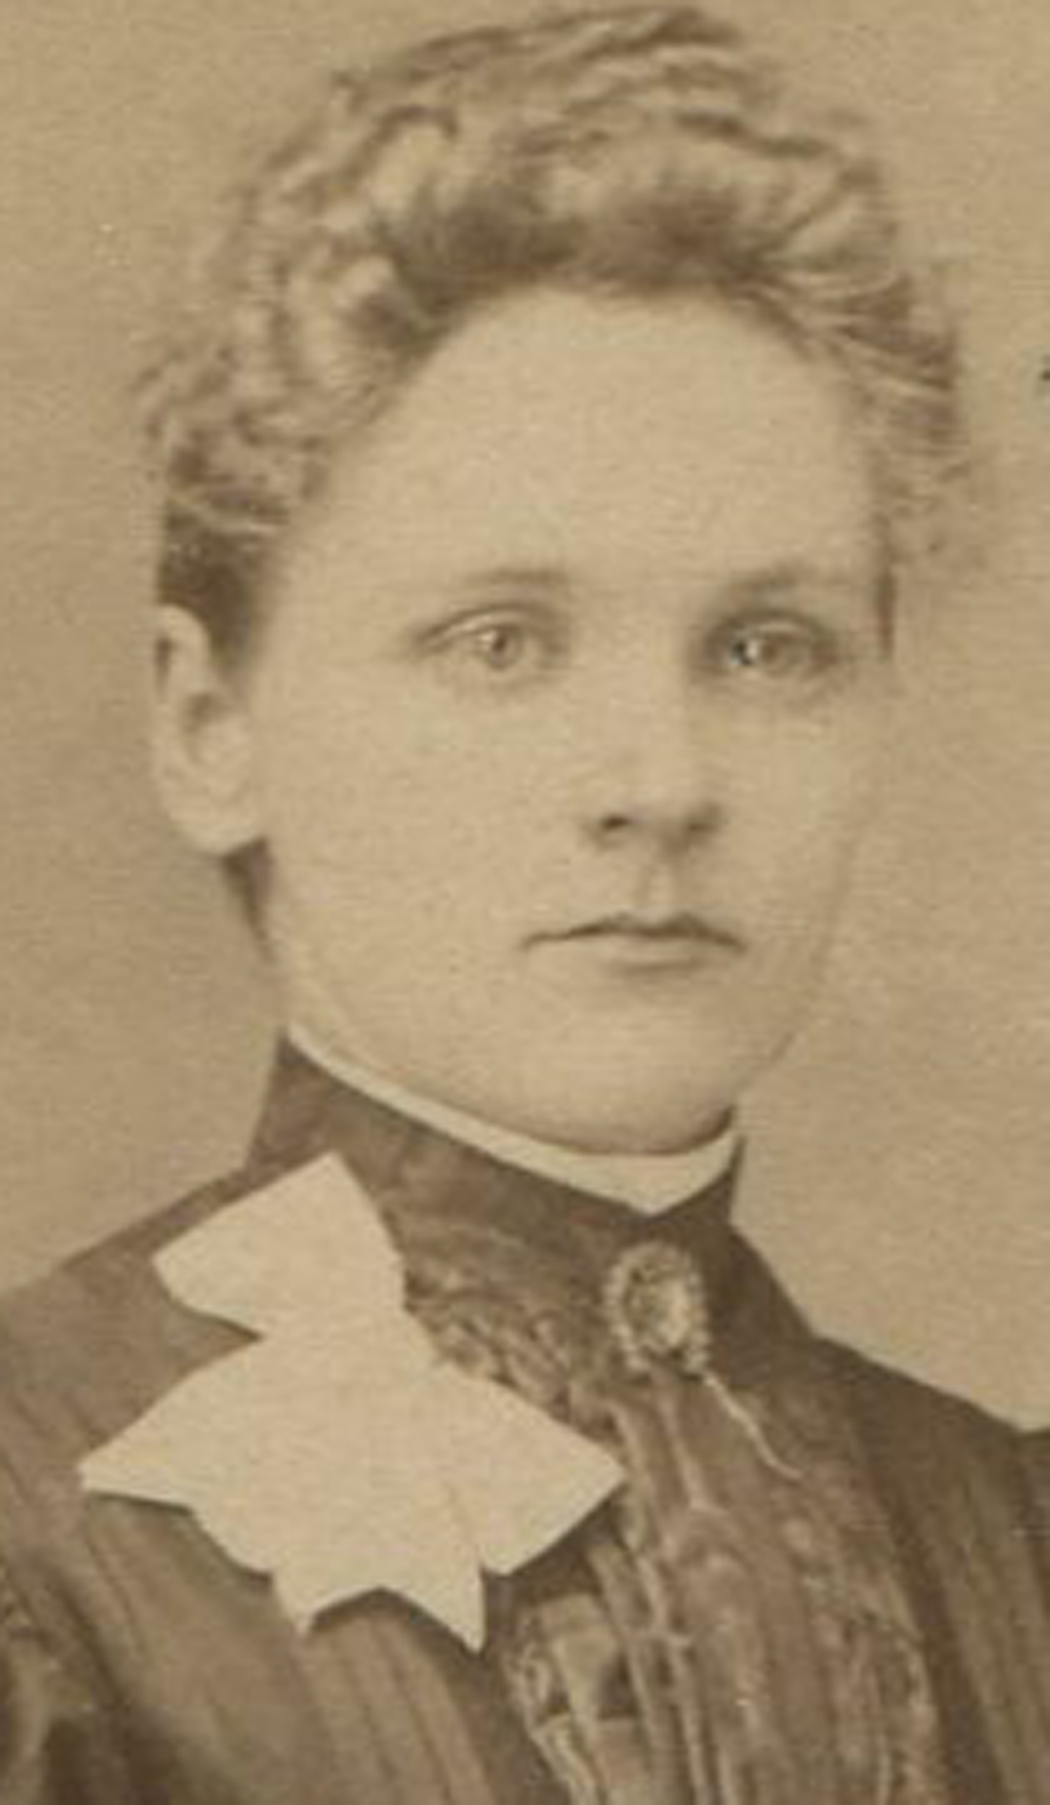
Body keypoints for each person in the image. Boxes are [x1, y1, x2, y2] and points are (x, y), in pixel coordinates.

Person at [0, 5, 1046, 1800]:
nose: (661, 778)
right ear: (210, 729)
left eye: (766, 645)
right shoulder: (36, 1527)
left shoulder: (1005, 1535)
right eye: (499, 641)